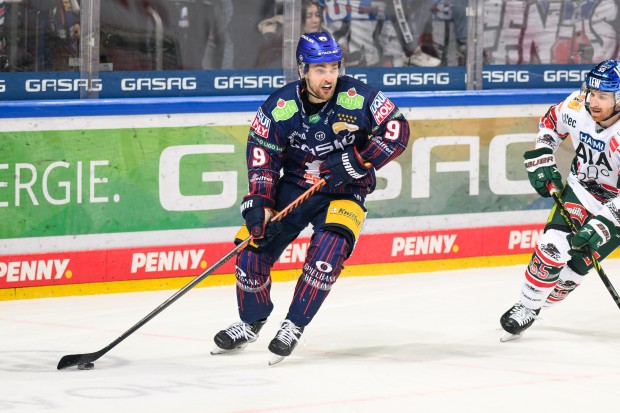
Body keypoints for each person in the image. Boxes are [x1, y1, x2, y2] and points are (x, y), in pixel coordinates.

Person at [212, 31, 410, 363]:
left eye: (333, 67)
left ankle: (293, 324)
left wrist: (358, 161)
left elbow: (397, 130)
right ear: (303, 69)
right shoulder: (280, 106)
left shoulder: (358, 97)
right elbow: (262, 152)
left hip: (345, 191)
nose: (328, 76)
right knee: (250, 250)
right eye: (319, 69)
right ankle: (251, 321)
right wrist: (260, 199)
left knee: (327, 254)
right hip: (293, 188)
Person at [499, 60, 620, 341]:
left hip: (615, 203)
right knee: (552, 247)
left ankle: (541, 303)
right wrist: (543, 154)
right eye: (591, 92)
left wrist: (602, 226)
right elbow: (550, 123)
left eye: (603, 96)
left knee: (573, 270)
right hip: (581, 190)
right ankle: (526, 307)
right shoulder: (577, 105)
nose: (593, 101)